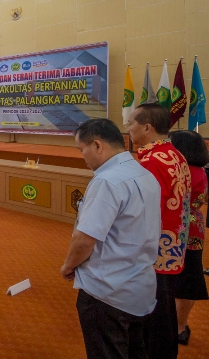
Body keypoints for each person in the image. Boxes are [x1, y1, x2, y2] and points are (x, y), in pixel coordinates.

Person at [61, 118, 161, 359]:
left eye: (81, 149)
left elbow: (85, 239)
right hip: (140, 287)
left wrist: (68, 265)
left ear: (97, 145)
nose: (82, 157)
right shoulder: (143, 173)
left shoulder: (107, 181)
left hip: (107, 294)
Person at [127, 103, 191, 359]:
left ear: (146, 127)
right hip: (173, 245)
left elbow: (142, 208)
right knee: (164, 307)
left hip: (156, 248)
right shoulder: (175, 153)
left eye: (131, 123)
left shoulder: (152, 161)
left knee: (154, 313)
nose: (128, 128)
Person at [169, 131, 209, 346]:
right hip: (194, 227)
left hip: (177, 228)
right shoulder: (200, 171)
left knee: (180, 278)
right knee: (190, 277)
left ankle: (177, 325)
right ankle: (180, 326)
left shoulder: (182, 171)